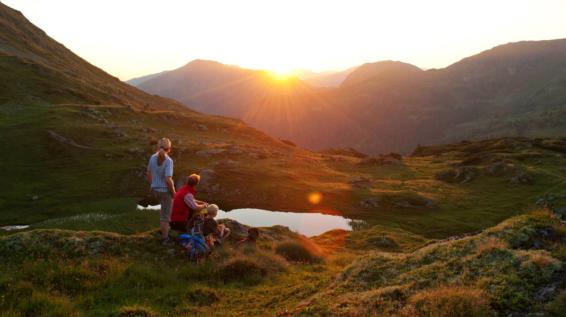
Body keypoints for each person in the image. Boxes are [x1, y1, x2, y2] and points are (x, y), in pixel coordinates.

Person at [147, 138, 176, 245]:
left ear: (158, 147)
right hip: (165, 192)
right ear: (169, 149)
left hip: (155, 189)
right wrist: (173, 192)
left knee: (163, 212)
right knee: (166, 216)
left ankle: (163, 231)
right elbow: (168, 180)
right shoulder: (169, 161)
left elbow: (148, 173)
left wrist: (152, 185)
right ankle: (165, 239)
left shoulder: (152, 157)